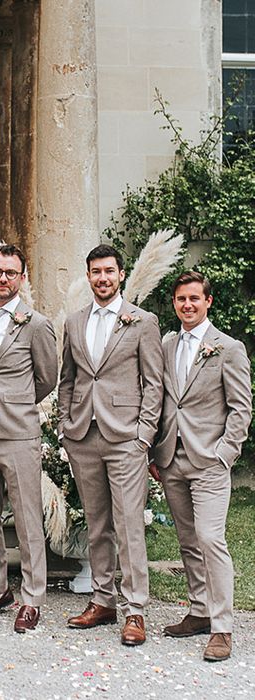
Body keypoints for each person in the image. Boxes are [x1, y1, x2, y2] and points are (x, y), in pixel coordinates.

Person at [58, 244, 162, 646]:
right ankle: (102, 601)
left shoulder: (142, 321)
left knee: (129, 524)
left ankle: (135, 608)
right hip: (84, 435)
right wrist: (67, 425)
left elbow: (154, 384)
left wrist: (143, 436)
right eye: (95, 272)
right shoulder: (74, 321)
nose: (102, 278)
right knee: (96, 523)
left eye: (108, 271)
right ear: (88, 277)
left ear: (120, 275)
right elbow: (68, 378)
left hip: (125, 438)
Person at [150, 271, 252, 662]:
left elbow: (241, 408)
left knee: (211, 540)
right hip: (171, 459)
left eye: (195, 298)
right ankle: (199, 610)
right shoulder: (166, 343)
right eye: (181, 299)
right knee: (188, 541)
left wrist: (225, 454)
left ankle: (223, 628)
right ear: (174, 303)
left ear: (208, 301)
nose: (187, 305)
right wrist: (154, 453)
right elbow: (162, 400)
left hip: (210, 460)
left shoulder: (228, 348)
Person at [0, 244, 57, 633]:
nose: (3, 278)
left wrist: (18, 403)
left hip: (18, 431)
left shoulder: (36, 323)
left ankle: (32, 596)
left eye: (10, 272)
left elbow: (47, 377)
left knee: (26, 516)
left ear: (22, 277)